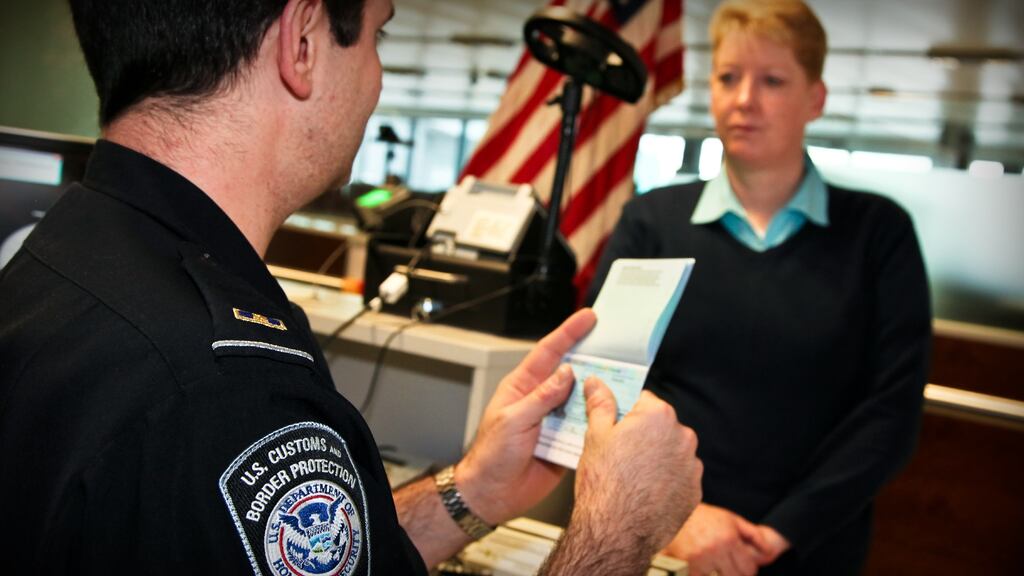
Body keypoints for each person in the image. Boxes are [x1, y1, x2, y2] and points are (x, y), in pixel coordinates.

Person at [0, 0, 704, 573]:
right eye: (377, 37)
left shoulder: (65, 254)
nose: (375, 79)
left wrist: (473, 491)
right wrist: (618, 532)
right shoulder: (226, 390)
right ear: (302, 41)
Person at [588, 1, 932, 574]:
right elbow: (602, 384)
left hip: (811, 547)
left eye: (772, 80)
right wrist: (682, 520)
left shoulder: (878, 234)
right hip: (663, 538)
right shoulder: (652, 222)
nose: (744, 99)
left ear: (815, 100)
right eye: (728, 78)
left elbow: (890, 412)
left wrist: (774, 536)